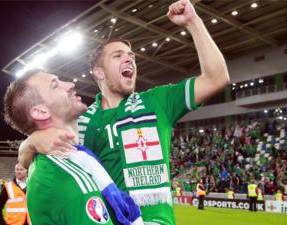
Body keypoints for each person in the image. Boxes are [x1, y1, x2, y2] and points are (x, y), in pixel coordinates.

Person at [19, 0, 230, 224]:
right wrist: (30, 142)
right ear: (98, 73)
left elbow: (217, 79)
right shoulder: (82, 122)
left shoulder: (157, 102)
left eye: (131, 55)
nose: (129, 58)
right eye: (118, 55)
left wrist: (193, 22)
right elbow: (35, 161)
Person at [3, 71, 142, 225]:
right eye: (55, 85)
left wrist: (29, 144)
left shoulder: (71, 158)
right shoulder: (68, 178)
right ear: (41, 112)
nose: (70, 85)